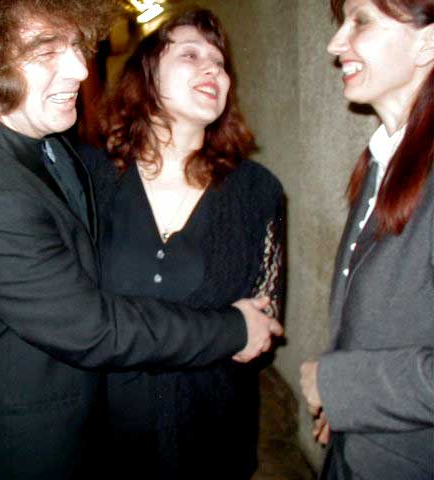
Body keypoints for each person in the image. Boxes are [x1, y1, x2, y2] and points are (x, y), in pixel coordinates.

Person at [0, 0, 284, 478]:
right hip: (34, 447)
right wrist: (231, 328)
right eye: (47, 49)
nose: (81, 69)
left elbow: (50, 249)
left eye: (75, 45)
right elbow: (94, 328)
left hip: (197, 429)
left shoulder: (51, 146)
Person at [85, 9, 285, 479]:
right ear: (147, 74)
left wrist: (245, 331)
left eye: (219, 62)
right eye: (190, 55)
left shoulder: (258, 191)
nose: (212, 68)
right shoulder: (92, 179)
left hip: (213, 437)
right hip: (105, 438)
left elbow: (261, 328)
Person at [300, 0, 434, 478]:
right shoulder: (384, 159)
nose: (335, 44)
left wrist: (338, 385)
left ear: (427, 43)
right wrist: (347, 408)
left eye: (361, 20)